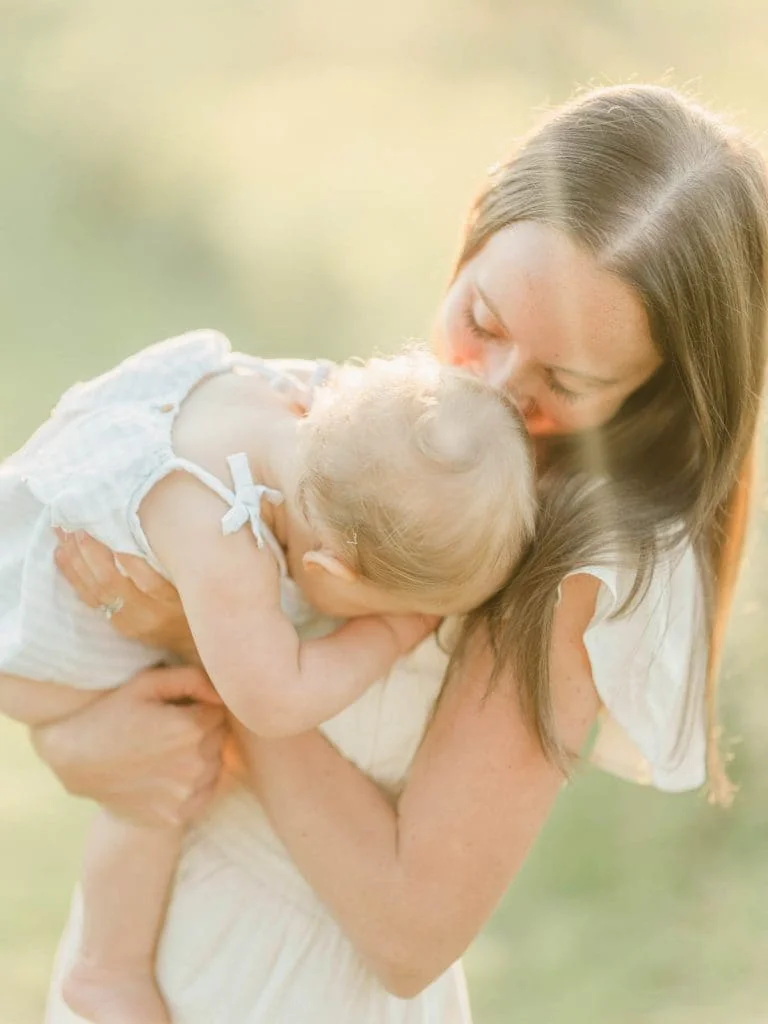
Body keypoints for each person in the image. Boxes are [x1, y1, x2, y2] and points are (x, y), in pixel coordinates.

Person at [26, 83, 768, 1023]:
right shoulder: (393, 431)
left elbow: (410, 931)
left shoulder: (582, 567)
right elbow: (95, 697)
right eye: (484, 322)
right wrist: (85, 745)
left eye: (565, 380)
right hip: (148, 947)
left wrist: (209, 641)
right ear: (471, 239)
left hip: (295, 989)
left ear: (657, 390)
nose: (495, 391)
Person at [0, 336, 536, 1023]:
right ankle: (108, 968)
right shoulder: (225, 541)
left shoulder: (280, 400)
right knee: (161, 777)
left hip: (36, 531)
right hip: (35, 643)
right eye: (398, 610)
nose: (407, 625)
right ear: (336, 574)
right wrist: (386, 636)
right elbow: (273, 702)